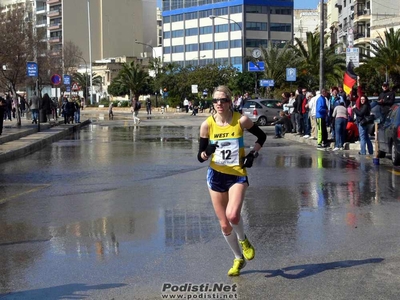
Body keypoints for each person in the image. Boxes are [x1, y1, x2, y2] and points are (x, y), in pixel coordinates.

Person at [197, 85, 266, 276]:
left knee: (233, 215)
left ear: (230, 101)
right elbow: (200, 157)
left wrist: (253, 154)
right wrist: (206, 152)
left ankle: (243, 240)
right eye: (216, 100)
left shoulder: (241, 120)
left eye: (223, 100)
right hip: (216, 176)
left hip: (237, 174)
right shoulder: (207, 125)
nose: (219, 104)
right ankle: (238, 258)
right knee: (224, 225)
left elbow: (262, 136)